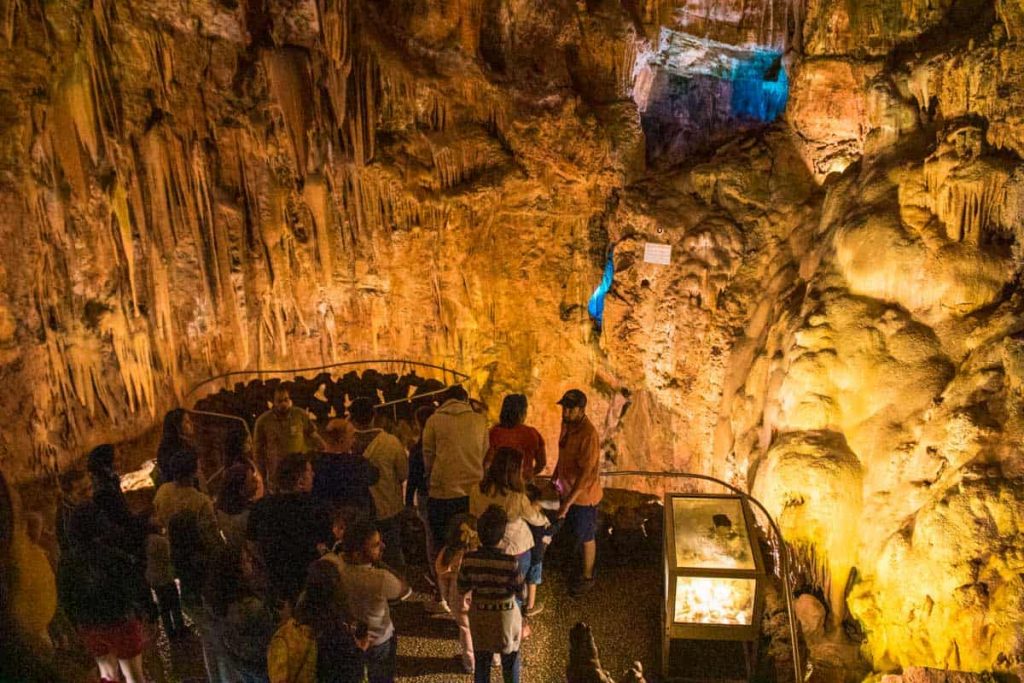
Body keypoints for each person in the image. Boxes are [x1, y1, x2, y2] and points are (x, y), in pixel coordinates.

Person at [57, 470, 148, 683]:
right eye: (83, 490)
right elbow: (129, 586)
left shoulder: (67, 562)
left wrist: (77, 623)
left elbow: (66, 595)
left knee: (107, 674)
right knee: (134, 674)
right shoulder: (110, 556)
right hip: (118, 621)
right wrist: (140, 611)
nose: (89, 493)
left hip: (89, 625)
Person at [470, 447, 549, 624]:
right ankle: (513, 625)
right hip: (516, 549)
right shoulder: (516, 496)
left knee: (491, 590)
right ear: (513, 471)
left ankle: (490, 623)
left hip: (488, 547)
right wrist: (540, 511)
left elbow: (474, 515)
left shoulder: (476, 490)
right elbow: (535, 519)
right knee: (515, 593)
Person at [248, 453, 332, 606]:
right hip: (308, 585)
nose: (313, 474)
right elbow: (326, 547)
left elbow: (251, 544)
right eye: (309, 471)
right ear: (300, 481)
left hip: (275, 584)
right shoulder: (316, 509)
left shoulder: (260, 507)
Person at [337, 518, 411, 683]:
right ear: (357, 554)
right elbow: (404, 588)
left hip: (350, 639)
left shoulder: (336, 567)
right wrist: (381, 564)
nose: (382, 547)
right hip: (380, 641)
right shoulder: (379, 578)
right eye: (376, 545)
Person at [458, 505, 525, 683]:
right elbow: (520, 591)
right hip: (505, 616)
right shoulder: (511, 563)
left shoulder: (469, 559)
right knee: (510, 660)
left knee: (482, 661)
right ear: (502, 535)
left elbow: (462, 586)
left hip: (480, 614)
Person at [423, 385, 487, 570]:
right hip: (472, 492)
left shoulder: (434, 421)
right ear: (465, 400)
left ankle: (441, 584)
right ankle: (467, 579)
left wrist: (430, 478)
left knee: (442, 542)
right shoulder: (479, 420)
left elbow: (428, 455)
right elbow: (483, 451)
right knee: (469, 540)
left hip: (442, 491)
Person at [553, 389, 603, 597]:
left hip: (584, 497)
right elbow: (562, 454)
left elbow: (585, 475)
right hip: (567, 491)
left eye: (570, 408)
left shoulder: (588, 435)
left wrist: (567, 504)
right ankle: (571, 568)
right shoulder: (568, 425)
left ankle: (587, 576)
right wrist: (554, 479)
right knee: (574, 532)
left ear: (581, 410)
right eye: (564, 407)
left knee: (586, 535)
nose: (565, 411)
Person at [349, 397, 408, 573]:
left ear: (352, 418)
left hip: (358, 510)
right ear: (374, 415)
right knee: (392, 551)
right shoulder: (391, 442)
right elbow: (403, 473)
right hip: (389, 507)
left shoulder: (347, 444)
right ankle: (397, 590)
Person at [205, 546, 277, 683]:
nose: (250, 562)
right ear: (236, 570)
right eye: (245, 560)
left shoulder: (214, 599)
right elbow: (269, 640)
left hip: (239, 662)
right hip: (261, 665)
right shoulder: (252, 607)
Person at [253, 384, 326, 488]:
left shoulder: (299, 414)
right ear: (273, 402)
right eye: (279, 400)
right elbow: (258, 451)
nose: (283, 404)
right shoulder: (263, 421)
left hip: (299, 471)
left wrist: (325, 448)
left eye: (286, 399)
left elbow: (313, 434)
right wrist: (261, 475)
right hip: (277, 472)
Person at [434, 514, 477, 673]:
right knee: (485, 628)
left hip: (459, 598)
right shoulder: (480, 551)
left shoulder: (448, 554)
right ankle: (495, 658)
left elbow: (441, 575)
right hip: (480, 597)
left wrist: (445, 597)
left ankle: (470, 663)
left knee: (465, 630)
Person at [152, 449, 219, 544]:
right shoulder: (201, 501)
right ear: (194, 472)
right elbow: (212, 536)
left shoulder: (162, 491)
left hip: (172, 546)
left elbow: (159, 520)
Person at [312, 418, 379, 512]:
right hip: (355, 518)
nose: (354, 440)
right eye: (351, 436)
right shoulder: (356, 463)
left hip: (326, 516)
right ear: (341, 440)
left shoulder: (314, 462)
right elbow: (374, 476)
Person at [145, 523, 184, 639]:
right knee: (175, 605)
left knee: (163, 606)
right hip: (165, 576)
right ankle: (180, 628)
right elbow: (169, 556)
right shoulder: (162, 541)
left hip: (154, 578)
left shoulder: (145, 542)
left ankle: (169, 632)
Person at [216, 459, 265, 551]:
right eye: (252, 480)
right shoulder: (249, 516)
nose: (257, 481)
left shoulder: (219, 512)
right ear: (241, 490)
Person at [156, 408, 196, 485]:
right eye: (187, 422)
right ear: (178, 427)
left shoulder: (164, 447)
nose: (191, 424)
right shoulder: (182, 449)